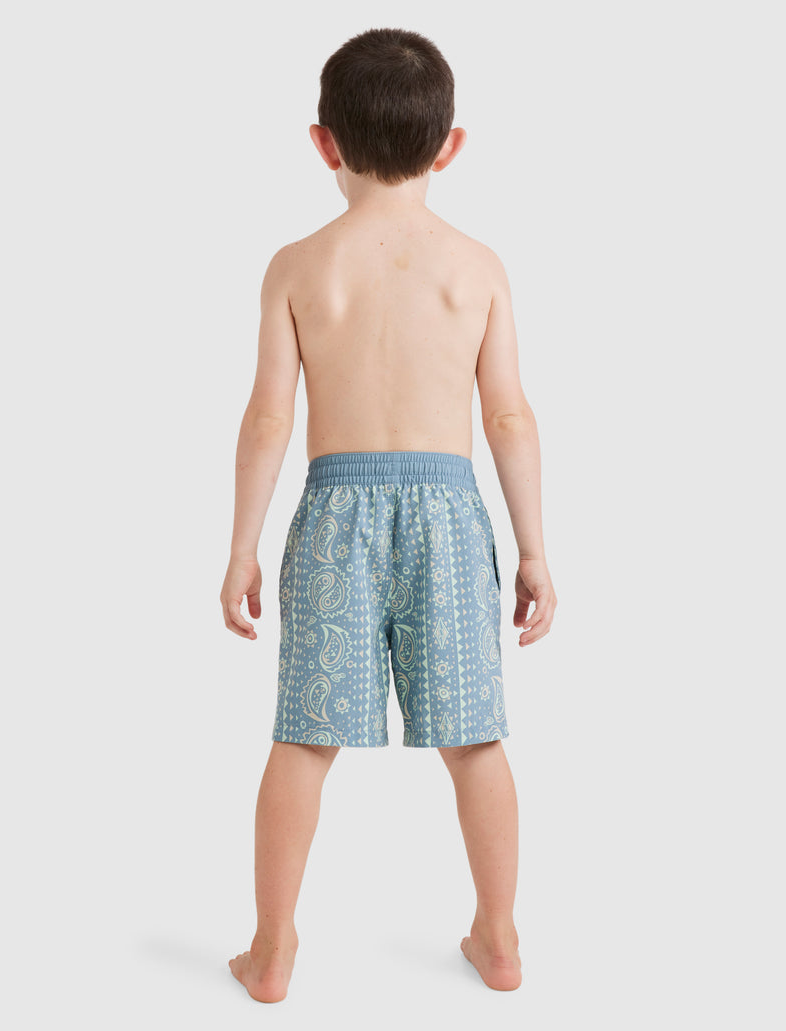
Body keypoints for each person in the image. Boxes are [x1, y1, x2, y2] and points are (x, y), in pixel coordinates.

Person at [220, 26, 557, 1003]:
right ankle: (499, 936)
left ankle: (271, 946)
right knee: (474, 737)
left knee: (303, 734)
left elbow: (268, 417)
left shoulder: (298, 266)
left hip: (334, 513)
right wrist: (533, 549)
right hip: (449, 516)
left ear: (323, 143)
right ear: (450, 146)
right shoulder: (476, 266)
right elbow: (509, 415)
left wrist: (241, 546)